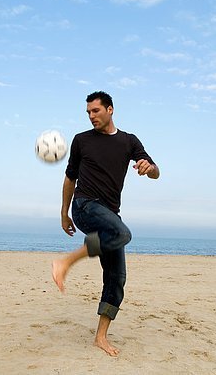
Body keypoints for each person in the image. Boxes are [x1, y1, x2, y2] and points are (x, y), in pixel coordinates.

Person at [51, 91, 159, 357]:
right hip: (85, 205)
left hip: (110, 213)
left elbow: (155, 171)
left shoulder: (128, 141)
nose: (91, 116)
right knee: (122, 233)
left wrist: (148, 167)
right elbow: (69, 180)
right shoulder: (81, 141)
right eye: (88, 112)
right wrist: (64, 213)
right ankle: (66, 262)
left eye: (96, 111)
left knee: (116, 277)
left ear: (110, 110)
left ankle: (100, 337)